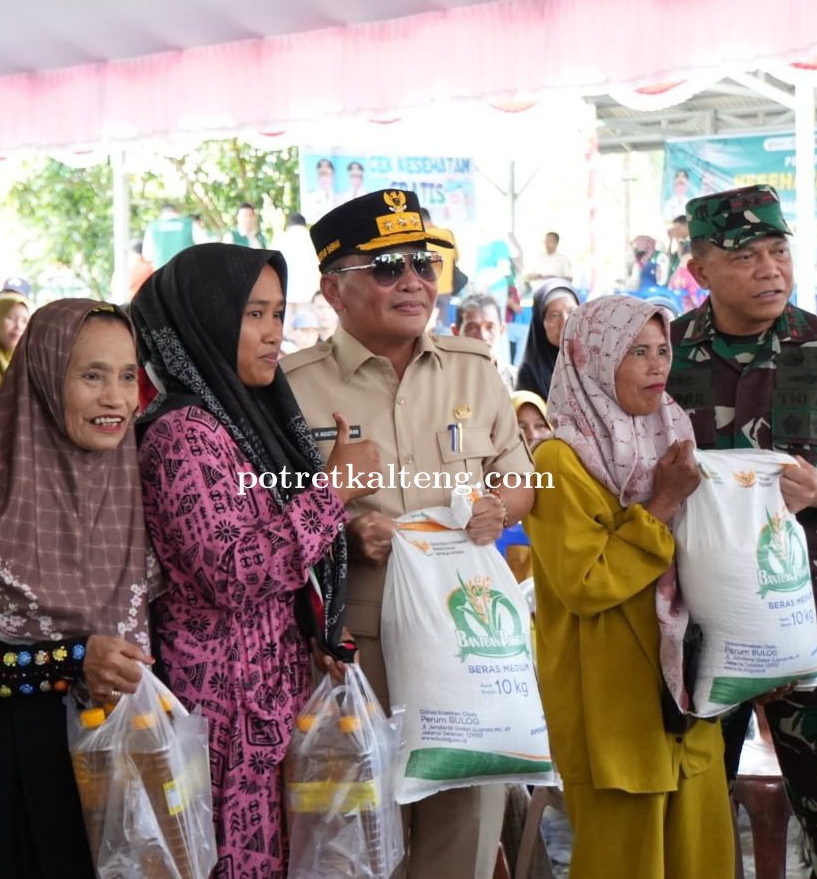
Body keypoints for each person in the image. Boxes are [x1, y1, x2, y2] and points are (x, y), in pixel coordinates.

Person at [283, 188, 536, 879]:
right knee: (363, 831)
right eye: (389, 267)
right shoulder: (290, 386)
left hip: (468, 638)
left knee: (466, 828)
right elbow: (268, 518)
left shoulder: (473, 366)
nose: (414, 282)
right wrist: (345, 527)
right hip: (356, 646)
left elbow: (521, 478)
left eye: (424, 263)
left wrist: (499, 509)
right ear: (334, 290)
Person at [667, 185, 817, 878]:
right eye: (747, 256)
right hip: (695, 627)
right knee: (694, 822)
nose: (771, 268)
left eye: (779, 251)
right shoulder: (665, 356)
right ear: (701, 270)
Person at [131, 243, 378, 877]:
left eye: (278, 314)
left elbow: (276, 549)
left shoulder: (236, 420)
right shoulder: (185, 434)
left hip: (267, 699)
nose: (274, 334)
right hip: (221, 709)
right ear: (208, 321)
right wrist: (335, 491)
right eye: (255, 316)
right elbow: (234, 571)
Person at [0, 299, 155, 878]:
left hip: (108, 784)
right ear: (44, 379)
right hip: (0, 783)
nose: (116, 399)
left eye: (126, 376)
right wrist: (71, 660)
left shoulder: (136, 496)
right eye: (91, 376)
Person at [526, 295, 733, 878]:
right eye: (636, 352)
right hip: (609, 706)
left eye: (662, 350)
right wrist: (662, 505)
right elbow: (586, 582)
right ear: (592, 361)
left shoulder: (673, 436)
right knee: (626, 864)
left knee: (702, 858)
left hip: (685, 697)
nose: (656, 366)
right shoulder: (559, 461)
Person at [516, 279, 578, 399]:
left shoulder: (594, 362)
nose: (565, 322)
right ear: (540, 323)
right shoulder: (530, 373)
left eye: (571, 311)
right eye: (554, 315)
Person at [455, 292, 515, 388]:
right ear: (456, 332)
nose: (483, 336)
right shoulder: (442, 381)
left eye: (490, 327)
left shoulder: (517, 381)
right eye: (472, 328)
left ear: (502, 330)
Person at [142, 203, 198, 268]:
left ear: (161, 214)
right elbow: (205, 246)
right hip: (187, 269)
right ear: (176, 211)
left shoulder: (152, 228)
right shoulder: (190, 224)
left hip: (163, 272)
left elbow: (147, 256)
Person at [303, 158, 339, 222]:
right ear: (318, 177)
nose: (324, 179)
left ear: (333, 177)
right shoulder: (309, 198)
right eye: (321, 175)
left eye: (327, 175)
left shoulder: (339, 198)